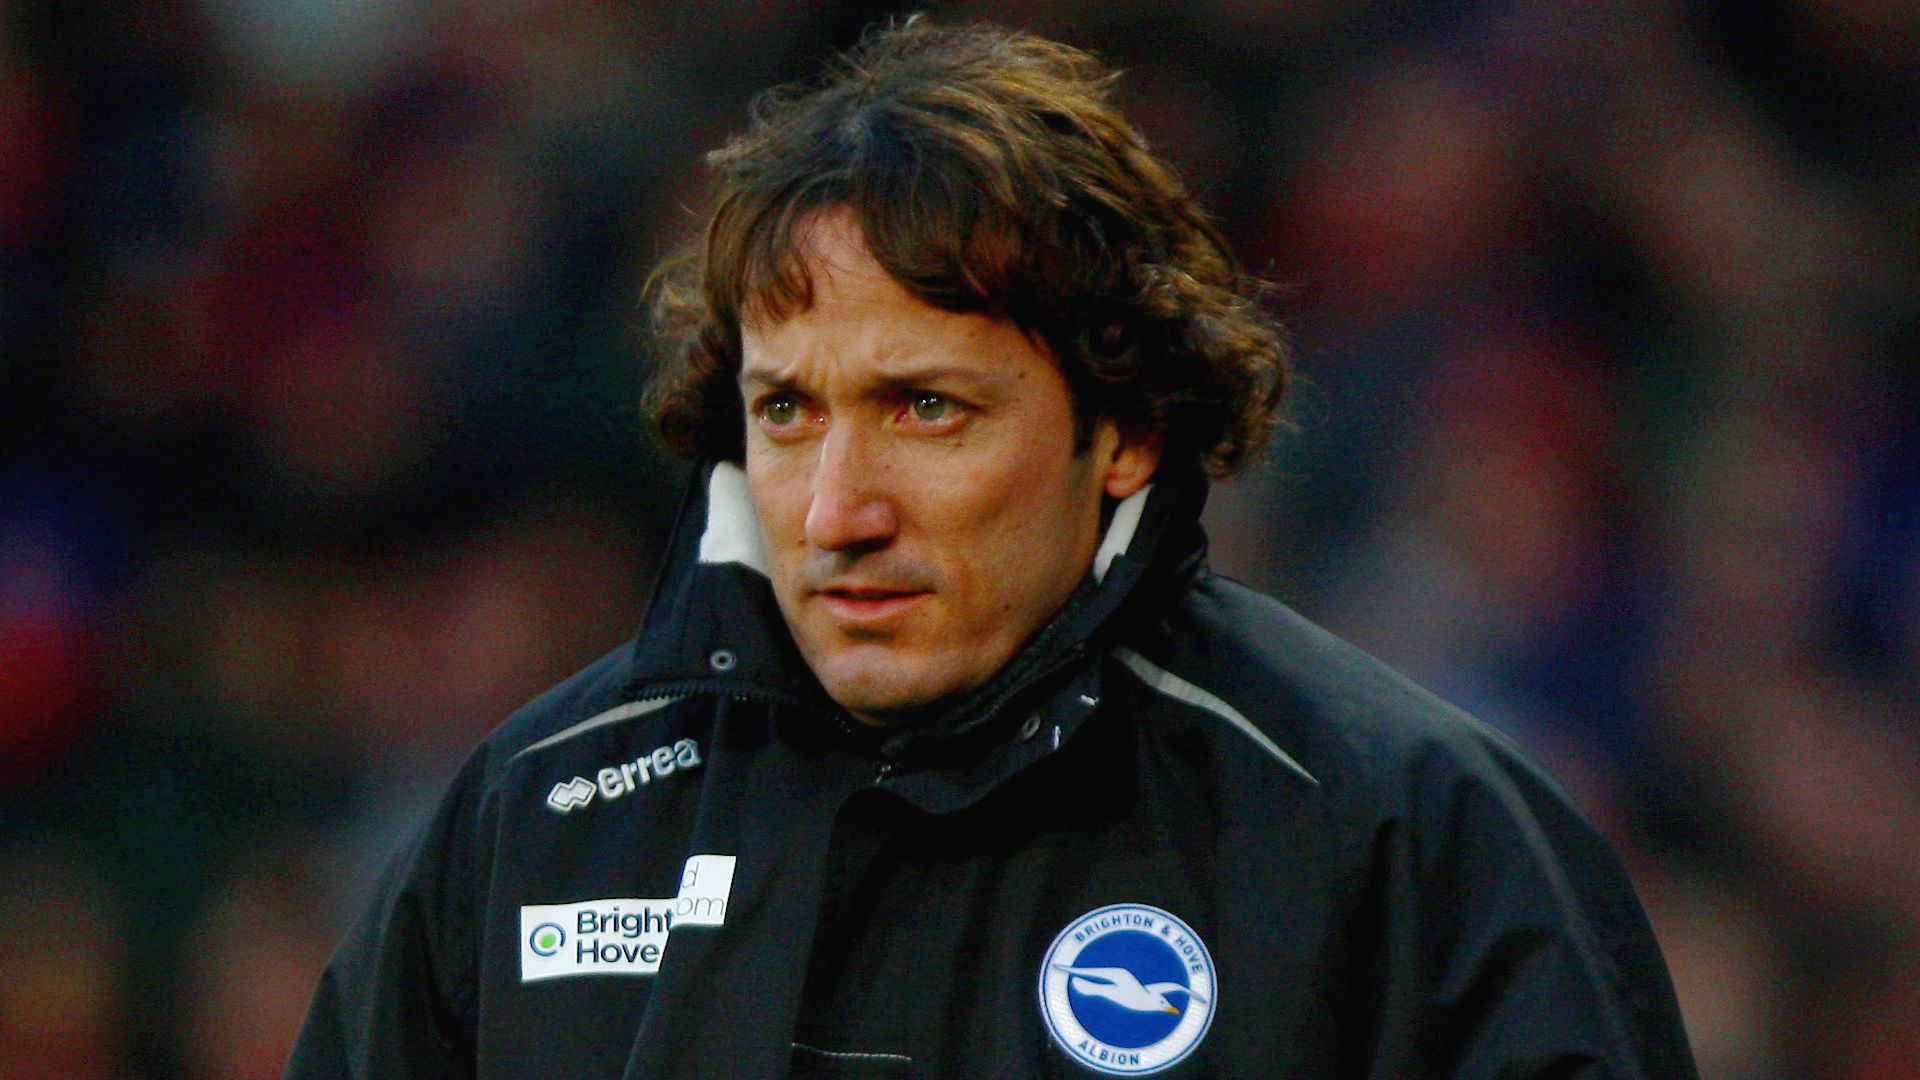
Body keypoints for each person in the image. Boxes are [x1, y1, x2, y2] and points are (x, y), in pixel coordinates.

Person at [287, 18, 1698, 1079]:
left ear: (1123, 429)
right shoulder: (535, 824)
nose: (838, 509)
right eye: (787, 413)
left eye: (927, 409)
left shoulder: (1403, 837)